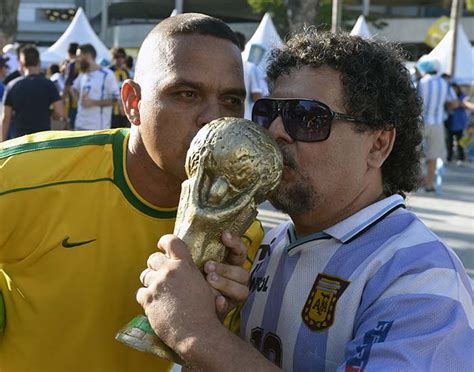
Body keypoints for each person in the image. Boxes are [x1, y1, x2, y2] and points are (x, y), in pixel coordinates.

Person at [136, 30, 474, 371]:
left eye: (308, 117)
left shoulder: (422, 279)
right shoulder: (268, 247)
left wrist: (199, 335)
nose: (276, 132)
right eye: (269, 113)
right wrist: (216, 316)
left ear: (378, 144)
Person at [0, 14, 262, 371]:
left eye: (231, 100)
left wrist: (214, 322)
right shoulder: (24, 176)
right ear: (132, 103)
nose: (212, 118)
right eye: (186, 94)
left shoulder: (243, 233)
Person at [1, 45, 63, 140]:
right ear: (39, 62)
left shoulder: (12, 85)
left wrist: (2, 143)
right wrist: (51, 113)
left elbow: (6, 118)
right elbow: (60, 113)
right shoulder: (48, 84)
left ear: (21, 64)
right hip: (42, 140)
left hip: (19, 140)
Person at [417, 58, 458, 192]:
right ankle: (429, 183)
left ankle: (418, 179)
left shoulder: (422, 81)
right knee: (433, 154)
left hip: (421, 122)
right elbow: (454, 102)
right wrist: (446, 108)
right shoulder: (444, 84)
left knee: (414, 152)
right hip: (438, 123)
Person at [71, 43, 119, 131]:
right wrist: (79, 100)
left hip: (97, 129)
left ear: (88, 56)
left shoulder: (107, 74)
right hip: (79, 125)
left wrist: (93, 103)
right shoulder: (83, 74)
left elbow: (115, 99)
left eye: (78, 56)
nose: (76, 60)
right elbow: (73, 88)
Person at [234, 31, 265, 120]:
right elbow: (256, 96)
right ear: (244, 47)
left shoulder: (222, 67)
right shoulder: (250, 67)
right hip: (246, 118)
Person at [446, 83, 468, 165]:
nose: (454, 90)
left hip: (460, 123)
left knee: (460, 142)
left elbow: (466, 105)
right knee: (449, 142)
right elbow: (449, 107)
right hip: (450, 123)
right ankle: (449, 157)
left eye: (455, 89)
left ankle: (460, 158)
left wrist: (458, 102)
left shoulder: (463, 96)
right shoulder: (448, 97)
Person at [109, 47, 131, 128]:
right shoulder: (109, 71)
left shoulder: (126, 72)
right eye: (117, 56)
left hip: (124, 109)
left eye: (121, 56)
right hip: (111, 109)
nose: (119, 59)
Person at [63, 42, 79, 128]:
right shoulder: (86, 64)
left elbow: (67, 83)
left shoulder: (72, 64)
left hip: (72, 100)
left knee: (71, 127)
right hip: (84, 98)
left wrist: (62, 99)